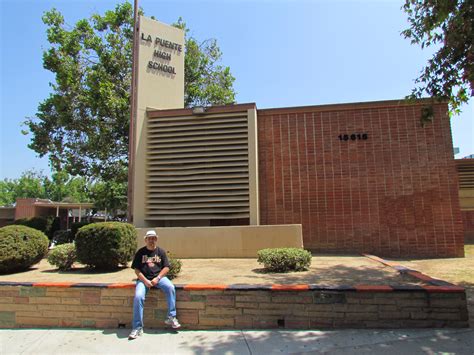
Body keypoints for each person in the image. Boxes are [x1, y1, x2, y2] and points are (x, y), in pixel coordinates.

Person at [129, 230, 181, 339]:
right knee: (138, 297)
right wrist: (145, 281)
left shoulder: (161, 252)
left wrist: (157, 278)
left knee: (170, 287)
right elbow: (137, 270)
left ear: (156, 239)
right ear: (145, 240)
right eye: (149, 238)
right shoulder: (140, 252)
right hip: (144, 280)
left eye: (153, 238)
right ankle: (137, 327)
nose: (151, 240)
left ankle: (171, 317)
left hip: (159, 278)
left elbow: (166, 267)